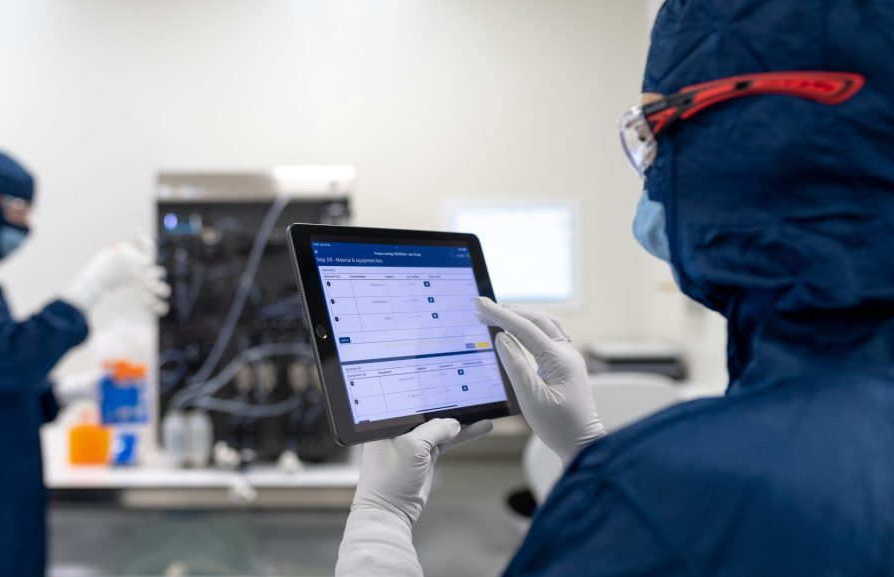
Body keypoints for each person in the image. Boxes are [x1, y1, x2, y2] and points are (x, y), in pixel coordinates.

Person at [336, 1, 894, 575]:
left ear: (745, 150)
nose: (649, 176)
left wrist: (382, 517)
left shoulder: (662, 499)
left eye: (653, 136)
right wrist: (590, 453)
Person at [0, 149, 170, 577]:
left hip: (4, 505)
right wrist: (89, 288)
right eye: (19, 209)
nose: (26, 226)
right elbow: (6, 359)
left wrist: (69, 391)